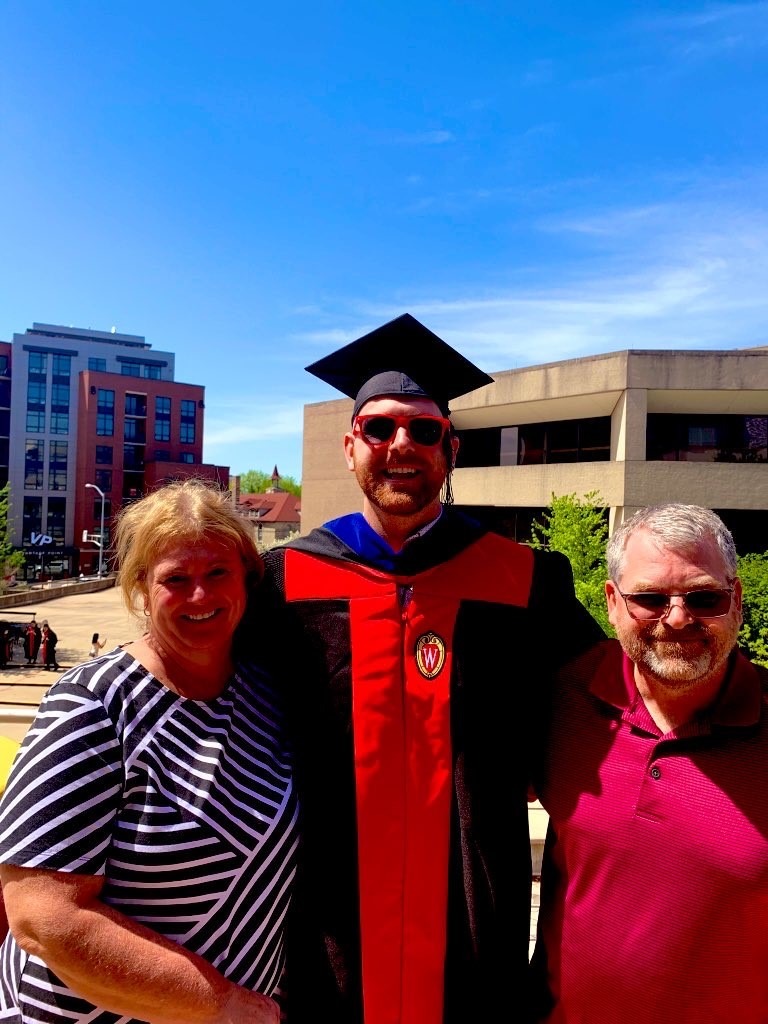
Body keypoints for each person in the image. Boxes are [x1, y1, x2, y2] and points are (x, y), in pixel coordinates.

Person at [259, 313, 604, 1023]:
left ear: (451, 450)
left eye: (424, 431)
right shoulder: (281, 582)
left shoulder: (526, 582)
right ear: (351, 446)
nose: (401, 447)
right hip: (324, 922)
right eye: (380, 429)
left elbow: (614, 708)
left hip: (475, 924)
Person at [0, 479, 298, 1024]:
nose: (201, 596)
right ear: (140, 586)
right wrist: (221, 1003)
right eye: (175, 580)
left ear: (248, 578)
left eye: (217, 573)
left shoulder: (265, 690)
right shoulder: (92, 704)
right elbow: (43, 917)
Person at [531, 503, 768, 1023]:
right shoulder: (558, 702)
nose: (679, 618)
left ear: (738, 601)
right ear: (612, 603)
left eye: (705, 597)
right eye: (650, 598)